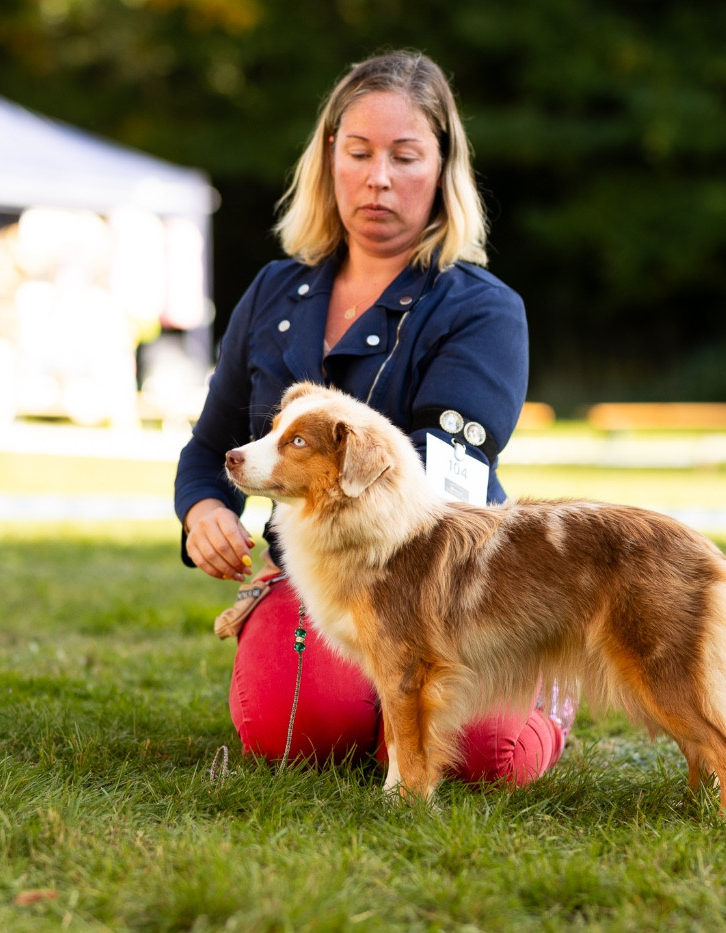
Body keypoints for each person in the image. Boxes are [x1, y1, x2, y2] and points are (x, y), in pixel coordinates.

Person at [175, 50, 572, 785]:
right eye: (357, 152)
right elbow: (211, 444)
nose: (378, 177)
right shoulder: (271, 292)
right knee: (293, 731)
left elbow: (443, 468)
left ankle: (546, 689)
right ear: (328, 159)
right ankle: (375, 708)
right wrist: (202, 508)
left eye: (405, 155)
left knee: (488, 758)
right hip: (316, 575)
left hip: (451, 585)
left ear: (443, 168)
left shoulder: (484, 309)